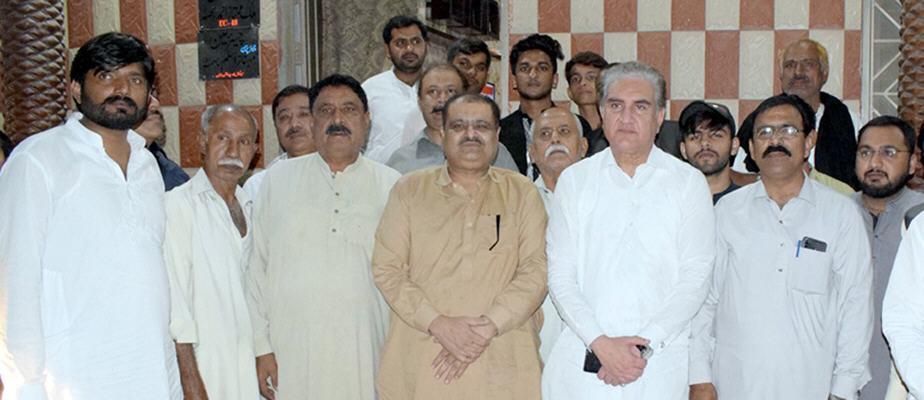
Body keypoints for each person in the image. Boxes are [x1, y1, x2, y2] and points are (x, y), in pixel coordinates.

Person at [0, 32, 182, 399]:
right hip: (75, 379)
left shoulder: (147, 166)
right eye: (106, 76)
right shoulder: (38, 159)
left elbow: (153, 281)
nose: (122, 89)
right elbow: (14, 281)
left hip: (150, 376)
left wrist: (170, 381)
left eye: (135, 79)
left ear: (149, 94)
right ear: (75, 88)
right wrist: (27, 387)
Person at [542, 61, 716, 399]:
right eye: (615, 105)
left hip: (659, 363)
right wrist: (600, 343)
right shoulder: (575, 181)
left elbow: (696, 278)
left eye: (640, 107)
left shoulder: (688, 183)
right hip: (582, 360)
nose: (626, 117)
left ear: (659, 117)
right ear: (602, 113)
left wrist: (642, 348)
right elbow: (560, 275)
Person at [689, 94, 872, 400]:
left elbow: (856, 305)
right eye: (764, 132)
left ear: (809, 141)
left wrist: (843, 388)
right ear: (751, 148)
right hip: (735, 384)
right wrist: (700, 377)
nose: (775, 141)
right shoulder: (727, 212)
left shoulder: (841, 214)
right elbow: (705, 300)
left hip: (813, 385)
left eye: (787, 130)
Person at [373, 93, 547, 399]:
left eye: (481, 126)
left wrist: (486, 329)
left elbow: (537, 269)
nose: (470, 134)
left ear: (497, 135)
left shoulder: (522, 193)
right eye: (458, 126)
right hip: (424, 356)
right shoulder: (408, 190)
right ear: (442, 133)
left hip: (504, 357)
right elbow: (387, 269)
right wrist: (438, 324)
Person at [246, 74, 400, 400]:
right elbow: (256, 269)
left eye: (349, 109)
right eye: (326, 111)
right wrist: (261, 348)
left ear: (367, 120)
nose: (337, 119)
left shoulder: (393, 186)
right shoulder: (277, 180)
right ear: (313, 122)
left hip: (366, 355)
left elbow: (405, 280)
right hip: (290, 355)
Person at [163, 104, 260, 400]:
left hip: (247, 374)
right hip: (204, 374)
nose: (233, 151)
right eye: (223, 138)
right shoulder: (177, 206)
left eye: (244, 141)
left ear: (255, 151)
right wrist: (192, 384)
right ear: (203, 142)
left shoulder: (252, 208)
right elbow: (176, 309)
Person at [850, 116, 924, 400]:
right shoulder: (834, 215)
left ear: (913, 163)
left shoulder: (920, 219)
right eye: (865, 152)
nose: (875, 162)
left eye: (889, 152)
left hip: (906, 380)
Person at [738, 39, 862, 190]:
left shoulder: (848, 121)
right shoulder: (757, 122)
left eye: (808, 64)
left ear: (824, 73)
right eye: (790, 65)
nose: (798, 72)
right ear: (781, 75)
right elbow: (739, 178)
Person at [527, 106, 587, 362]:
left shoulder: (608, 201)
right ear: (532, 153)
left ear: (583, 147)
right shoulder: (517, 204)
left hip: (598, 341)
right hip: (537, 340)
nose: (555, 139)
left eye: (564, 132)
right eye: (545, 134)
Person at [386, 63, 517, 174]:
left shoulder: (495, 152)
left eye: (450, 91)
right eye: (433, 92)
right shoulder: (401, 161)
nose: (442, 99)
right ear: (420, 102)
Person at [500, 34, 594, 176]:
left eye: (542, 68)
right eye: (525, 68)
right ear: (514, 80)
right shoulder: (500, 131)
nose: (533, 74)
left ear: (555, 79)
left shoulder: (576, 125)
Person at [362, 15, 428, 164]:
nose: (409, 49)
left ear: (426, 45)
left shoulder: (438, 90)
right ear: (387, 49)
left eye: (416, 41)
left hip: (429, 173)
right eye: (400, 43)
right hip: (382, 174)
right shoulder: (371, 89)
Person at [243, 84, 316, 199]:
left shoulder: (341, 175)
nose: (294, 124)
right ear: (276, 126)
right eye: (284, 117)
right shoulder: (258, 186)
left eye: (303, 114)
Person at [678, 101, 741, 204]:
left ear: (734, 145)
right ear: (683, 149)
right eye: (695, 137)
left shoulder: (748, 204)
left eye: (716, 135)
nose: (704, 142)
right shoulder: (668, 202)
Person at [134, 96, 190, 190]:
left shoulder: (175, 176)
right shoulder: (108, 170)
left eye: (154, 94)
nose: (155, 104)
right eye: (143, 96)